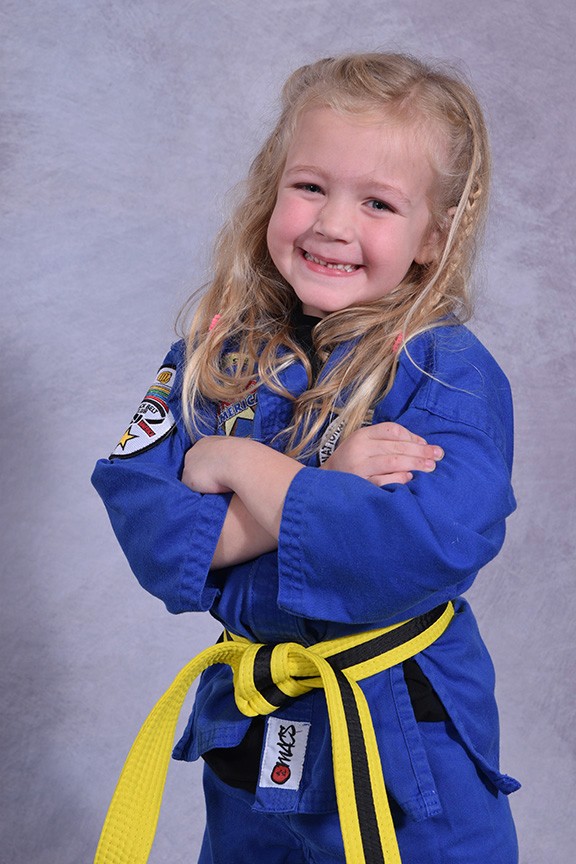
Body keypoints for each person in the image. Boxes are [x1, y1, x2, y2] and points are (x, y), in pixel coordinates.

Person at [92, 53, 520, 864]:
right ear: (270, 191)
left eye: (380, 203)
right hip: (253, 727)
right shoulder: (211, 356)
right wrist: (327, 490)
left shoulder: (445, 373)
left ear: (435, 235)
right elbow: (145, 518)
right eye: (311, 187)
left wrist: (241, 468)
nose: (333, 223)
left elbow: (420, 544)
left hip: (400, 744)